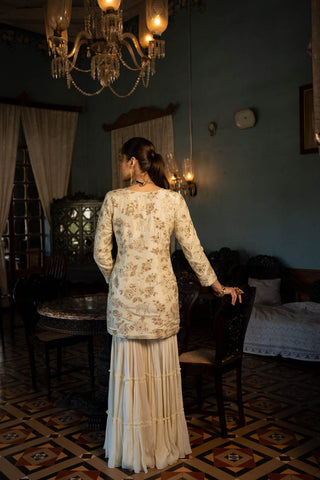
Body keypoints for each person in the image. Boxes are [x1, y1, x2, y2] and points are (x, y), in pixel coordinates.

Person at [93, 137, 242, 473]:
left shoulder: (114, 199)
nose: (120, 167)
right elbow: (193, 250)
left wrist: (117, 281)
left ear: (133, 163)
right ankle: (163, 446)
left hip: (126, 301)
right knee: (160, 374)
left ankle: (131, 450)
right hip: (161, 299)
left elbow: (101, 254)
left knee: (130, 376)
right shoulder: (173, 201)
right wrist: (217, 287)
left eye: (121, 160)